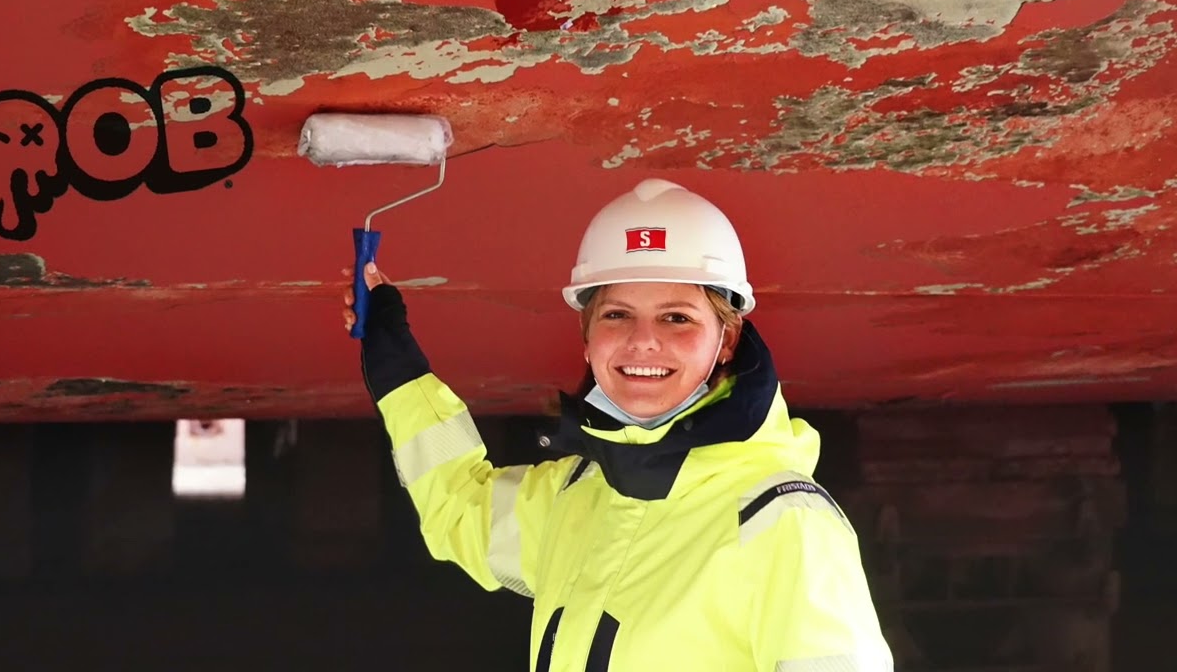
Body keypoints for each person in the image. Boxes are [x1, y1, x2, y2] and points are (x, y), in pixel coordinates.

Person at [341, 178, 894, 671]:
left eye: (677, 317)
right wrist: (396, 364)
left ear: (725, 339)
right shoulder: (580, 493)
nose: (642, 341)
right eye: (616, 314)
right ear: (587, 339)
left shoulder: (782, 523)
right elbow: (458, 507)